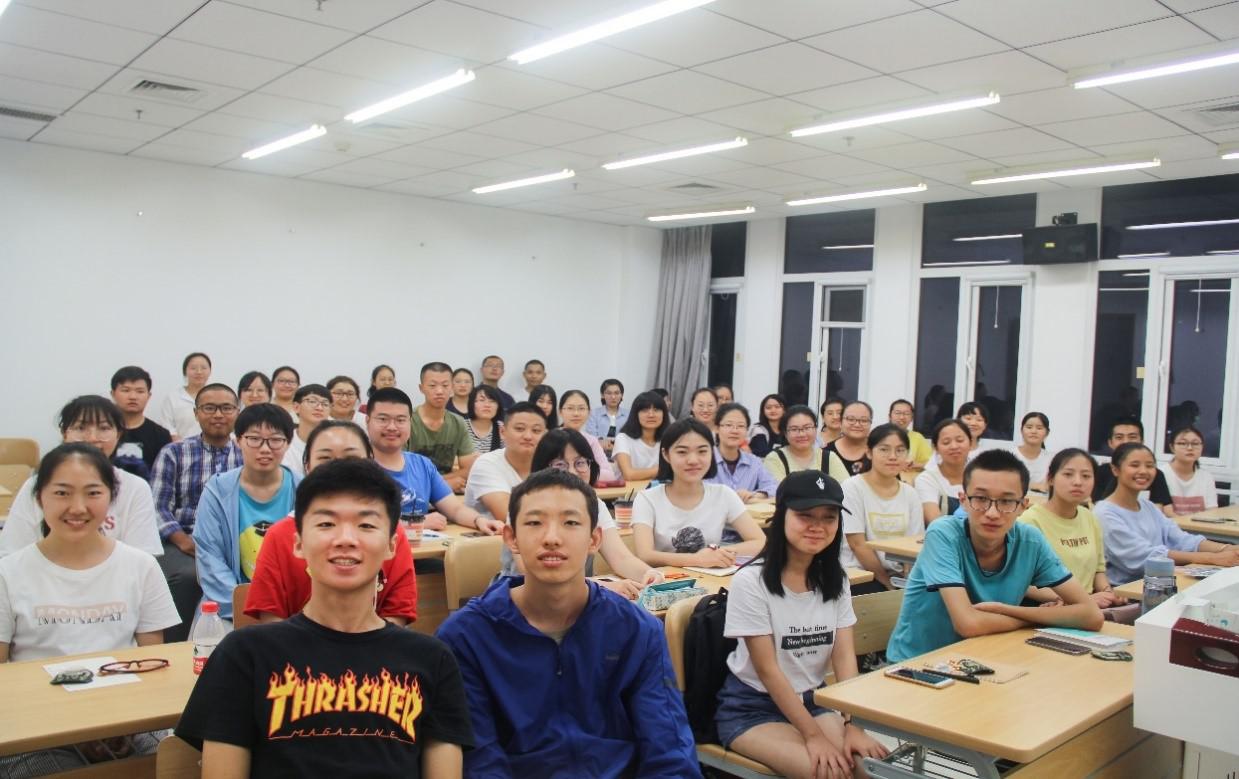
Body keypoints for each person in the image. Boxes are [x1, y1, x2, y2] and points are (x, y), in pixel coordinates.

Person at [175, 458, 474, 778]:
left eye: (366, 525)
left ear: (392, 545)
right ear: (298, 543)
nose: (345, 539)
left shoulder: (432, 660)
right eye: (326, 524)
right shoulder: (245, 655)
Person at [436, 469, 698, 778]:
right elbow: (481, 760)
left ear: (594, 539)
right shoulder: (466, 637)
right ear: (511, 538)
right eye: (535, 523)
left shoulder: (636, 630)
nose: (552, 538)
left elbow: (668, 750)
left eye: (571, 523)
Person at [0, 444, 180, 775]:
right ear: (39, 498)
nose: (78, 507)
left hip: (128, 720)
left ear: (111, 498)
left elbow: (152, 666)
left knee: (176, 762)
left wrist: (123, 723)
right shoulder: (8, 573)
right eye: (62, 493)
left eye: (93, 493)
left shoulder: (140, 566)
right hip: (38, 728)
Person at [716, 470, 888, 777]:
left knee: (873, 771)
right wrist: (813, 736)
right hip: (752, 707)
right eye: (805, 516)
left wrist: (853, 724)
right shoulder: (750, 581)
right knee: (831, 774)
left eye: (829, 518)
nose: (817, 527)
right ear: (781, 515)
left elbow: (844, 658)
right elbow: (768, 671)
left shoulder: (836, 579)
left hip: (813, 699)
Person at [886, 450, 1103, 662]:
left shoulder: (1030, 541)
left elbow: (1091, 616)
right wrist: (1035, 617)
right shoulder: (943, 534)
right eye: (981, 499)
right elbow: (968, 624)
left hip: (986, 658)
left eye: (1006, 501)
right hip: (918, 664)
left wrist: (1006, 611)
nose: (992, 513)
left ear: (1023, 506)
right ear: (963, 500)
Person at [244, 420, 418, 626]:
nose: (339, 468)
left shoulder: (389, 531)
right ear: (307, 466)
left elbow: (398, 611)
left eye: (351, 458)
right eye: (325, 458)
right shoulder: (279, 534)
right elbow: (271, 618)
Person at [1, 395, 162, 559]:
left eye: (104, 428)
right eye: (80, 428)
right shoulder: (37, 484)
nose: (92, 438)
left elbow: (142, 559)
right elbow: (13, 553)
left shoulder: (135, 487)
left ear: (118, 435)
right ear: (64, 433)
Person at [517, 429, 662, 597]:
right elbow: (531, 573)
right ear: (542, 468)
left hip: (580, 598)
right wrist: (603, 587)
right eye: (560, 464)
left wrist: (649, 574)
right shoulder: (526, 505)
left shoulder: (594, 505)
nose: (572, 472)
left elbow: (621, 558)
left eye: (580, 463)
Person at [149, 383, 244, 640]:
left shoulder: (245, 455)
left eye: (226, 408)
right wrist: (183, 540)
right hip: (182, 541)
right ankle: (176, 645)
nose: (218, 415)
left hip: (233, 543)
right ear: (196, 413)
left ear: (237, 412)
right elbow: (158, 507)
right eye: (209, 408)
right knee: (188, 577)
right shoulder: (174, 453)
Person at [194, 404, 300, 620]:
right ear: (238, 440)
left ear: (288, 443)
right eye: (254, 439)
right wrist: (248, 610)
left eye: (275, 440)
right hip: (230, 609)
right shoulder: (217, 491)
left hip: (293, 611)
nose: (265, 448)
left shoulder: (304, 490)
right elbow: (210, 559)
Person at [1096, 443, 1239, 585]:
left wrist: (1227, 549)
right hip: (1127, 589)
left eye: (1150, 466)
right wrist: (1212, 558)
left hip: (1161, 581)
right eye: (1135, 465)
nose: (1143, 471)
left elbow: (1182, 540)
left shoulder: (1148, 507)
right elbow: (1145, 556)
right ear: (1115, 469)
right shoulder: (1105, 513)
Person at [632, 419, 765, 568]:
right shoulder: (647, 499)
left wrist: (717, 554)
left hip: (711, 578)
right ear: (666, 454)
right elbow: (645, 555)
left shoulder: (723, 494)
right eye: (682, 452)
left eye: (702, 451)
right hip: (664, 579)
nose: (693, 460)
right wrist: (698, 559)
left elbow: (760, 542)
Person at [369, 388, 495, 534]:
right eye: (383, 419)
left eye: (400, 420)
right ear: (367, 421)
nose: (392, 427)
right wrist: (417, 522)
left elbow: (455, 509)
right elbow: (364, 522)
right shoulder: (357, 467)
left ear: (410, 423)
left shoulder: (423, 465)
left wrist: (480, 521)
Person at [1020, 449, 1128, 613]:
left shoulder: (1089, 517)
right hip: (1048, 608)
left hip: (1090, 607)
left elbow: (1098, 571)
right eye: (1068, 474)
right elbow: (1024, 584)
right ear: (1050, 479)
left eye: (1086, 476)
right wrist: (1081, 600)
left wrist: (1108, 593)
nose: (1078, 482)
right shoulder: (1030, 521)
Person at [840, 424, 925, 593]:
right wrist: (887, 583)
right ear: (869, 452)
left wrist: (907, 582)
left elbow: (913, 545)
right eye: (884, 449)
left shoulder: (910, 493)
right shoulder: (852, 487)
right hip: (861, 573)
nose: (892, 456)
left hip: (898, 576)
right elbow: (857, 544)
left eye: (900, 450)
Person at [464, 402, 547, 527]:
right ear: (502, 432)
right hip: (494, 537)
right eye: (520, 429)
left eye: (536, 430)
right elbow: (508, 515)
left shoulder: (550, 464)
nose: (528, 436)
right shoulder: (486, 464)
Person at [408, 362, 479, 492]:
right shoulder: (408, 421)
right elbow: (399, 471)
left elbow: (469, 469)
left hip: (447, 492)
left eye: (445, 385)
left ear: (451, 388)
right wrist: (442, 484)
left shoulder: (458, 423)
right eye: (432, 385)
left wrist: (439, 484)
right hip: (413, 492)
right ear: (421, 388)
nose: (439, 391)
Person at [1092, 417, 1174, 514]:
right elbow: (1096, 505)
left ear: (1142, 441)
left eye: (1132, 437)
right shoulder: (1099, 473)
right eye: (1119, 437)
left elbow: (1159, 511)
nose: (1126, 442)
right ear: (1110, 443)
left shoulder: (1154, 474)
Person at [110, 365, 173, 480]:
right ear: (113, 394)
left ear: (148, 396)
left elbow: (164, 475)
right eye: (126, 390)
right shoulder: (102, 431)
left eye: (140, 391)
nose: (133, 396)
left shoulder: (161, 435)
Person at [709, 403, 779, 503]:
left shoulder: (754, 462)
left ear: (747, 430)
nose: (734, 431)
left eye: (741, 426)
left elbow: (774, 487)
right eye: (728, 425)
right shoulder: (705, 460)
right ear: (716, 428)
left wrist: (753, 494)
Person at [764, 405, 843, 482]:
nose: (801, 434)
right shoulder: (774, 459)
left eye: (807, 427)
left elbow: (844, 487)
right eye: (794, 429)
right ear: (785, 433)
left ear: (815, 429)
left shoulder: (829, 458)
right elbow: (778, 489)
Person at [915, 419, 971, 523]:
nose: (954, 446)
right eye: (946, 442)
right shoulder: (927, 479)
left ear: (970, 443)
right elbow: (934, 522)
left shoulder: (981, 477)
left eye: (960, 440)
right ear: (936, 448)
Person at [558, 389, 618, 482]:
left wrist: (582, 472)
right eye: (570, 408)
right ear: (560, 412)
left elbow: (609, 475)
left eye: (581, 408)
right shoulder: (550, 438)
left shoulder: (591, 440)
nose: (576, 413)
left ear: (589, 412)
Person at [612, 391, 669, 482]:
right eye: (645, 410)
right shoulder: (623, 438)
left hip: (661, 489)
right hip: (630, 490)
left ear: (664, 414)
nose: (651, 415)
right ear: (636, 414)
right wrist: (662, 469)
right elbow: (629, 475)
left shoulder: (669, 438)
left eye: (656, 410)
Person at [1163, 425, 1218, 515]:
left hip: (1199, 524)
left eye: (1195, 444)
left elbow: (1212, 512)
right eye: (1183, 443)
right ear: (1172, 447)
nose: (1190, 448)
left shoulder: (1207, 477)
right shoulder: (1162, 474)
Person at [158, 351, 212, 440]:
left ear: (210, 371)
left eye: (203, 368)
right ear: (185, 371)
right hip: (180, 446)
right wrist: (179, 443)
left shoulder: (217, 396)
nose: (199, 372)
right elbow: (166, 425)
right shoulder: (173, 397)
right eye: (193, 368)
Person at [282, 383, 331, 479]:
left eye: (325, 404)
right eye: (312, 401)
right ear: (296, 407)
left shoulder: (335, 443)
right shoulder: (284, 443)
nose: (319, 408)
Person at [824, 401, 872, 478]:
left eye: (864, 420)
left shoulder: (877, 451)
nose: (857, 424)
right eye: (851, 419)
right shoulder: (825, 453)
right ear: (840, 422)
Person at [584, 378, 627, 457]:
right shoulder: (593, 414)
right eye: (609, 393)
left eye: (617, 393)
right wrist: (602, 443)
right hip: (597, 455)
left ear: (622, 395)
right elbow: (591, 437)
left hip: (622, 456)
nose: (613, 397)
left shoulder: (628, 415)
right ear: (602, 395)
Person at [888, 398, 932, 469]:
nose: (902, 417)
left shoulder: (917, 438)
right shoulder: (880, 435)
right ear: (890, 416)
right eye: (897, 413)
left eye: (906, 414)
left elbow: (932, 464)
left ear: (911, 418)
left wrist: (915, 464)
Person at [1015, 412, 1052, 492]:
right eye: (1029, 427)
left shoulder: (1052, 459)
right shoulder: (1010, 456)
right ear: (1021, 430)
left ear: (1047, 433)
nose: (1034, 431)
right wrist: (1033, 485)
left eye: (1039, 428)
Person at [464, 385, 504, 456]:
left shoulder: (502, 428)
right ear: (472, 403)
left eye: (492, 401)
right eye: (482, 400)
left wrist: (505, 440)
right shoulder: (461, 427)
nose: (487, 405)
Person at [748, 393, 786, 458]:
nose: (773, 410)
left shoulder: (787, 430)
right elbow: (763, 453)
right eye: (768, 408)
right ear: (763, 411)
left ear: (784, 410)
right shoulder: (758, 430)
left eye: (777, 407)